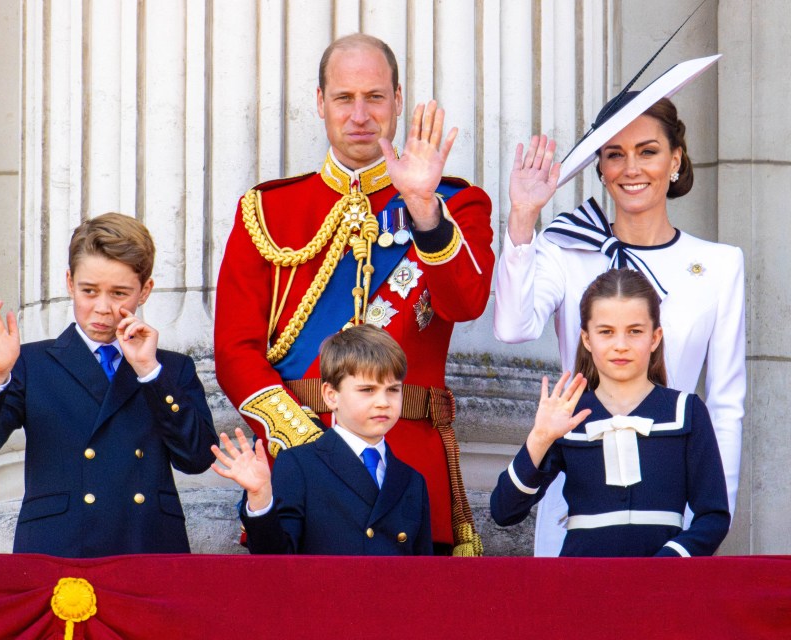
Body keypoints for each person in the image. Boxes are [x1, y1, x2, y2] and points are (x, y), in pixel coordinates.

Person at [214, 33, 494, 555]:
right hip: (299, 466)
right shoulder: (267, 210)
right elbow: (234, 350)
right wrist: (309, 446)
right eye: (344, 98)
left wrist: (426, 212)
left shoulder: (457, 203)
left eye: (375, 97)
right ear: (320, 103)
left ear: (398, 99)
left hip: (409, 468)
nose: (360, 114)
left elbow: (466, 302)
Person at [494, 93, 745, 556]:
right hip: (577, 503)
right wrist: (524, 219)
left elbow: (727, 404)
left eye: (647, 151)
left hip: (674, 515)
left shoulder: (719, 264)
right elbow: (512, 327)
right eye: (615, 154)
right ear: (601, 168)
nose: (631, 168)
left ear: (675, 159)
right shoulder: (564, 247)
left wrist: (707, 526)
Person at [0, 213, 219, 558]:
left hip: (146, 546)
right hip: (58, 548)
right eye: (89, 291)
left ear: (145, 290)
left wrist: (149, 372)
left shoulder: (171, 368)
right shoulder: (31, 363)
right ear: (69, 282)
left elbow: (196, 458)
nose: (102, 308)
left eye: (119, 293)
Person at [491, 269, 730, 556]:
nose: (620, 345)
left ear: (655, 338)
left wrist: (667, 564)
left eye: (635, 331)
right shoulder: (568, 416)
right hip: (582, 585)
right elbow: (504, 512)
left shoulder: (686, 411)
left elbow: (714, 517)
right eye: (606, 332)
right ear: (587, 339)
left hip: (664, 587)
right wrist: (540, 438)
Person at [212, 325, 433, 555]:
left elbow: (423, 575)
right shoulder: (299, 465)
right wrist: (260, 498)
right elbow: (276, 560)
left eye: (393, 390)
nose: (383, 402)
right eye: (367, 390)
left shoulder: (411, 481)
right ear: (331, 395)